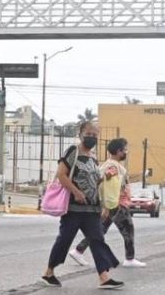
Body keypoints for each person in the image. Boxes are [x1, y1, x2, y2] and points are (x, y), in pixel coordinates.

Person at [41, 122, 123, 289]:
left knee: (98, 239)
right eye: (88, 133)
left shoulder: (93, 157)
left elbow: (94, 181)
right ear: (80, 134)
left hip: (92, 208)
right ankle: (48, 273)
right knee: (64, 240)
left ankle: (104, 277)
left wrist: (105, 177)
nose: (91, 137)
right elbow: (61, 175)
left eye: (95, 134)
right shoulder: (73, 151)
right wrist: (76, 192)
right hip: (73, 208)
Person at [69, 138, 147, 268]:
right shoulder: (113, 166)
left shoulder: (109, 164)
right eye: (125, 150)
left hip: (112, 204)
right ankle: (129, 258)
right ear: (118, 151)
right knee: (128, 229)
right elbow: (109, 182)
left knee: (100, 230)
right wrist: (108, 204)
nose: (126, 152)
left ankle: (78, 250)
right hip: (116, 204)